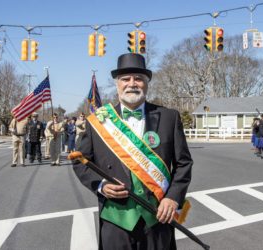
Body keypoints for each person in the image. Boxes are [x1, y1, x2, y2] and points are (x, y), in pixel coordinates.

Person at [73, 53, 193, 250]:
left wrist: (173, 198)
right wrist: (101, 185)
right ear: (117, 84)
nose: (132, 83)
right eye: (125, 79)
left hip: (157, 217)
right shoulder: (99, 121)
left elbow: (183, 163)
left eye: (138, 78)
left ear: (147, 83)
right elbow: (80, 160)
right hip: (115, 219)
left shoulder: (169, 117)